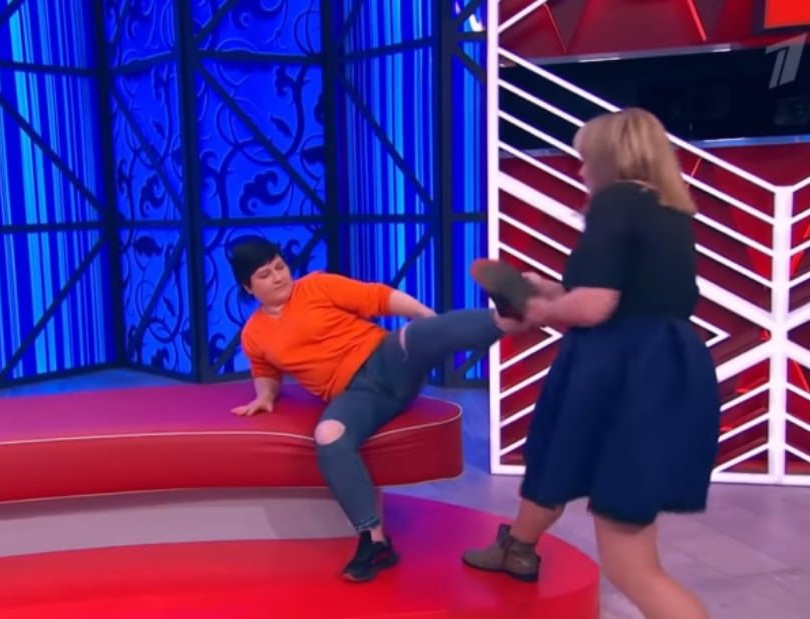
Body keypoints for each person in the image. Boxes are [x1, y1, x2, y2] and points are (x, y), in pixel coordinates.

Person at [464, 108, 720, 619]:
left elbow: (594, 306)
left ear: (608, 158)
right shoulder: (667, 208)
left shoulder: (616, 201)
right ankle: (517, 546)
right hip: (664, 367)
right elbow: (631, 295)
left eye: (584, 159)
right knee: (565, 466)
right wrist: (553, 292)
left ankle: (518, 547)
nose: (580, 170)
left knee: (631, 566)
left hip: (625, 376)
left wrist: (536, 309)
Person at [227, 236, 534, 583]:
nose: (278, 277)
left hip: (387, 359)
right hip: (357, 396)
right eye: (265, 275)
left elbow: (379, 297)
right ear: (248, 287)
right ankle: (374, 542)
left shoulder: (316, 286)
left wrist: (428, 319)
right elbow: (265, 371)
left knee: (411, 336)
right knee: (328, 435)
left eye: (280, 266)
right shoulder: (254, 334)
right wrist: (265, 396)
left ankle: (509, 317)